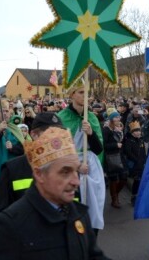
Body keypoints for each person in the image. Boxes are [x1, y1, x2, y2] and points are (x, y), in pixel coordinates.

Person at [0, 127, 109, 259]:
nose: (76, 181)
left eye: (76, 170)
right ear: (39, 174)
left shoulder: (79, 213)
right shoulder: (10, 225)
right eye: (65, 172)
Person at [0, 112, 64, 229]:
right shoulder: (12, 170)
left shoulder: (68, 170)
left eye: (59, 133)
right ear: (34, 135)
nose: (55, 139)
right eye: (49, 132)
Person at [57, 81, 106, 233]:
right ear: (72, 95)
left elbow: (98, 149)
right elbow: (57, 150)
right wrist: (75, 165)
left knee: (93, 207)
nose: (86, 96)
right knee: (71, 208)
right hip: (68, 166)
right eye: (81, 92)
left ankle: (91, 242)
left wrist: (91, 134)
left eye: (87, 93)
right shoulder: (61, 118)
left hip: (90, 167)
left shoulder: (92, 117)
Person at [103, 111, 128, 208]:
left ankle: (116, 194)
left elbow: (123, 142)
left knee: (124, 178)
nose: (119, 119)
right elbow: (104, 145)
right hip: (111, 157)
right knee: (113, 179)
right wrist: (115, 145)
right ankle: (114, 199)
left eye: (119, 117)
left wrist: (120, 133)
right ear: (111, 119)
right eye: (116, 117)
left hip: (120, 155)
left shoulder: (118, 129)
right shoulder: (106, 130)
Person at [123, 121, 146, 204]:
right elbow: (128, 152)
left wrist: (144, 160)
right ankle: (134, 196)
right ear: (132, 133)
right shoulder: (129, 141)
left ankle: (139, 196)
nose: (138, 132)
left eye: (139, 130)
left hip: (141, 163)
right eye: (136, 131)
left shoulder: (141, 140)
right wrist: (136, 160)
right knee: (137, 180)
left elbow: (143, 151)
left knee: (140, 180)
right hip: (134, 164)